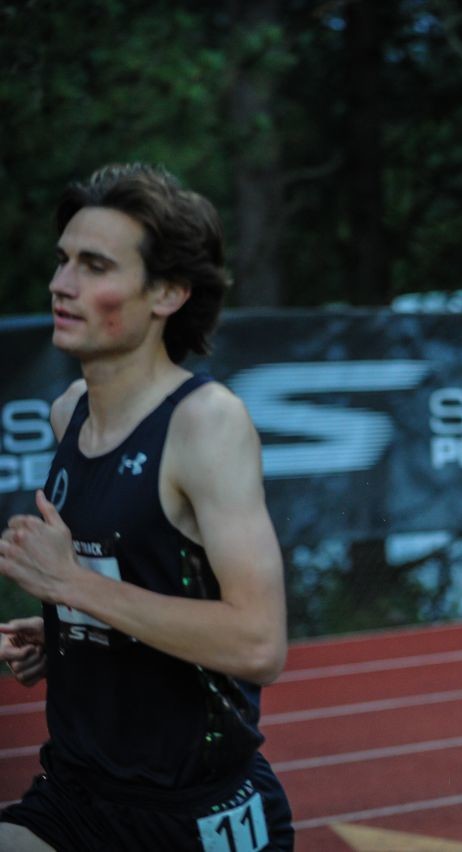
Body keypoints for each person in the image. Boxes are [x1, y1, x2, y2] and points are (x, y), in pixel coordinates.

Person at [0, 164, 293, 851]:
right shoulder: (68, 414)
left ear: (168, 292)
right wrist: (71, 631)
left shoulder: (204, 423)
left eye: (95, 265)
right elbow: (140, 579)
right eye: (63, 260)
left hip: (196, 814)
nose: (62, 284)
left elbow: (258, 644)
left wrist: (71, 586)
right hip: (76, 795)